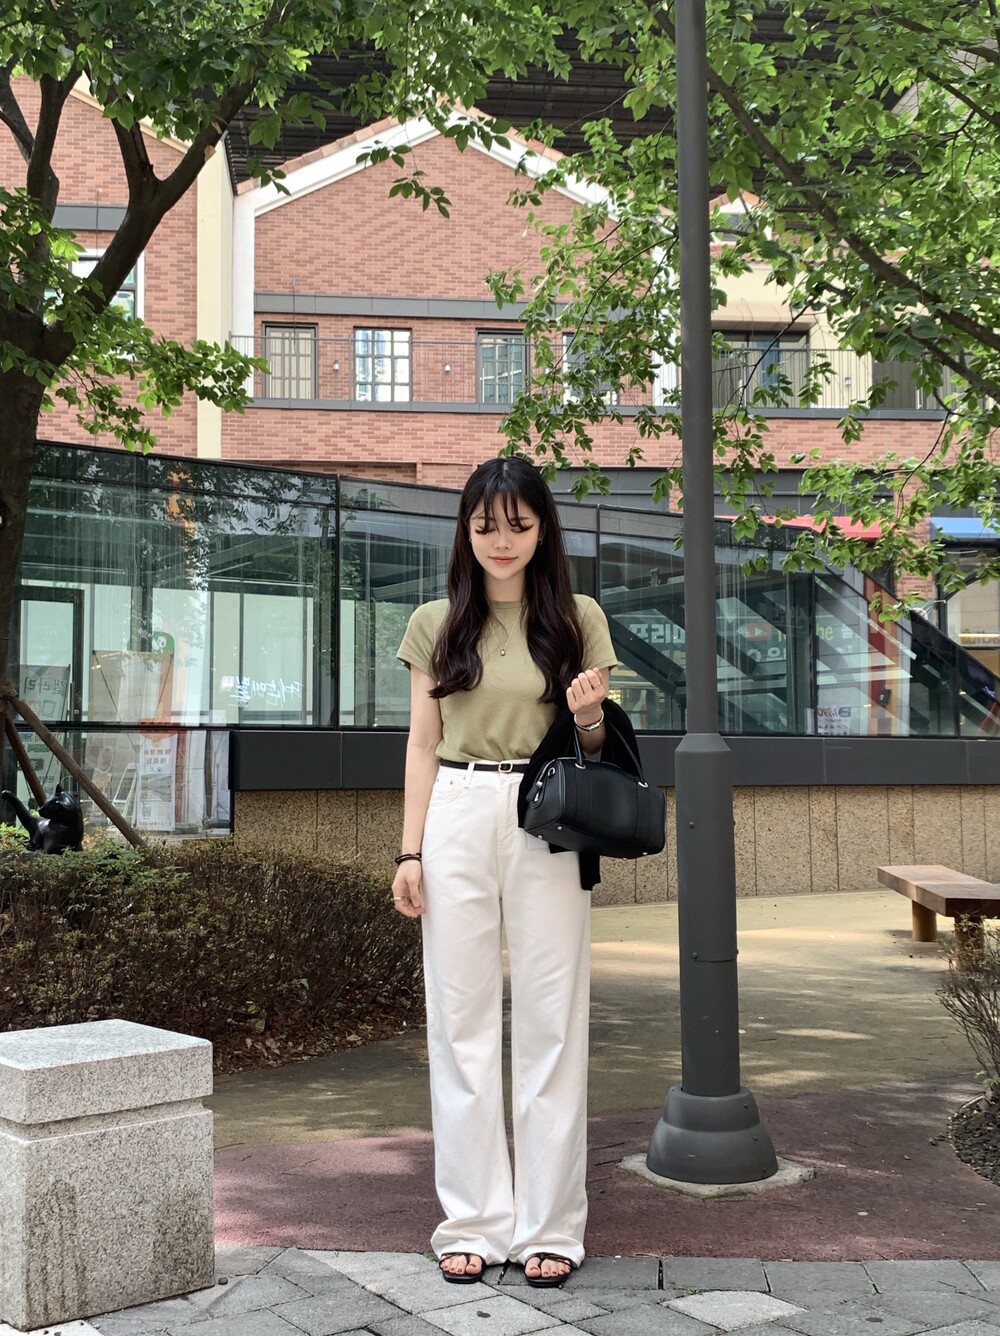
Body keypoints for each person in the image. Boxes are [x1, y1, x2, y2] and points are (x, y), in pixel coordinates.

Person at [393, 456, 618, 1288]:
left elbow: (598, 746)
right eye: (485, 524)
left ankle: (550, 1226)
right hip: (455, 809)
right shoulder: (435, 622)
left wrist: (588, 714)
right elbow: (422, 744)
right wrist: (409, 850)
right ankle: (474, 1221)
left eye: (518, 524)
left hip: (545, 812)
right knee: (460, 1023)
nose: (501, 540)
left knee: (553, 1021)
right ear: (465, 529)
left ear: (543, 528)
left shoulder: (578, 619)